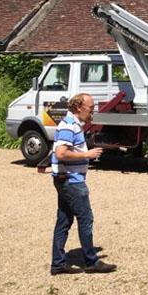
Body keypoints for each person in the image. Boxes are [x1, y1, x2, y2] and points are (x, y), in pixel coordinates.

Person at [49, 93, 116, 275]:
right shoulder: (69, 126)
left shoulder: (72, 125)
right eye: (90, 108)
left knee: (64, 220)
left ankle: (58, 264)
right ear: (79, 107)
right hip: (72, 181)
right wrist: (87, 155)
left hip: (66, 179)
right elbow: (61, 153)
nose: (92, 111)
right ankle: (91, 261)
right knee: (85, 219)